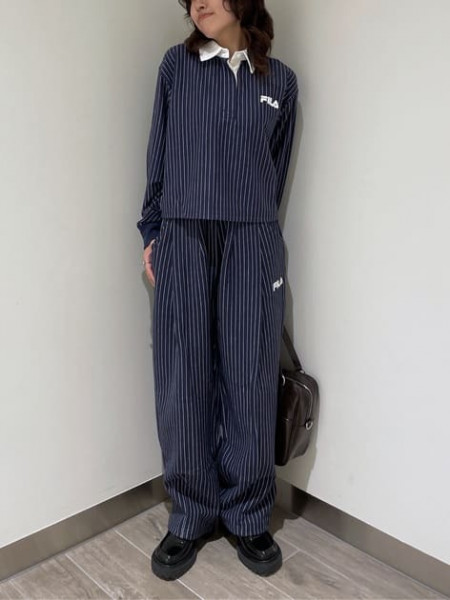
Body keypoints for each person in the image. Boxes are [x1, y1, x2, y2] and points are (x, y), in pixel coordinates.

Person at [137, 0, 298, 581]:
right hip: (182, 235)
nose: (199, 2)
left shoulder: (280, 81)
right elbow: (157, 153)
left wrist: (253, 227)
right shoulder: (176, 67)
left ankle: (249, 513)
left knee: (250, 374)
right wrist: (152, 230)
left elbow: (276, 168)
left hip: (252, 239)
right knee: (181, 374)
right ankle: (190, 513)